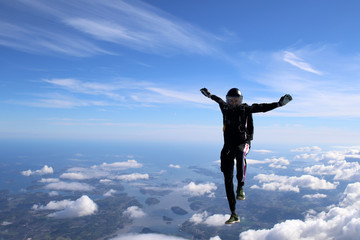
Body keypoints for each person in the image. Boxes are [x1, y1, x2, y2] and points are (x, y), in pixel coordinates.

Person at [200, 87, 292, 224]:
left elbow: (262, 108)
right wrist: (209, 95)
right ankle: (233, 214)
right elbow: (217, 99)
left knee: (240, 154)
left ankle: (240, 187)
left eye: (236, 100)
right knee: (227, 179)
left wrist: (279, 104)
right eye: (231, 100)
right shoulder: (224, 108)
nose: (233, 103)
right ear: (227, 100)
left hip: (243, 143)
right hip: (228, 147)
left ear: (240, 100)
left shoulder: (245, 109)